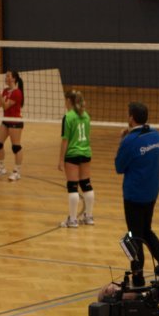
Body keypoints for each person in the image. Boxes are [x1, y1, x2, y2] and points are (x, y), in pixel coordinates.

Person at [115, 102, 159, 276]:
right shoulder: (155, 135)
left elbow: (119, 167)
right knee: (145, 230)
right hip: (151, 192)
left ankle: (138, 274)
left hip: (134, 195)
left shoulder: (129, 141)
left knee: (134, 235)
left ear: (131, 118)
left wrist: (123, 141)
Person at [58, 90, 95, 227]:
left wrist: (61, 160)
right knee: (86, 184)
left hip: (73, 154)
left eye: (65, 100)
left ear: (69, 101)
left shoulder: (68, 117)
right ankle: (89, 217)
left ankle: (73, 220)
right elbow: (88, 136)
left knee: (72, 186)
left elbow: (65, 140)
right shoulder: (86, 115)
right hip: (86, 152)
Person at [0, 70, 25, 181]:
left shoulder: (17, 93)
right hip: (6, 120)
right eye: (6, 76)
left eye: (8, 76)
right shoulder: (6, 90)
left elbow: (6, 106)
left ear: (14, 79)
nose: (6, 78)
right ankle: (1, 167)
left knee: (16, 147)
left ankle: (17, 172)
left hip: (15, 122)